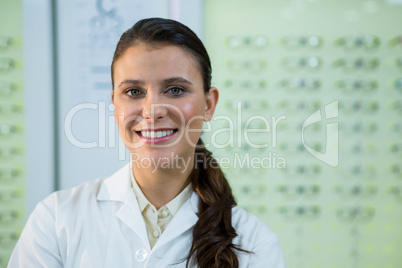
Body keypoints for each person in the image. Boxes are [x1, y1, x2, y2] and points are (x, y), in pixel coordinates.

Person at [8, 18, 286, 268]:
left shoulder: (255, 245)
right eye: (133, 91)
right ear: (114, 105)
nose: (153, 110)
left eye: (175, 89)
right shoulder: (56, 221)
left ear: (209, 104)